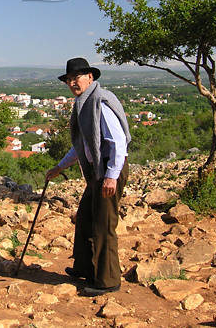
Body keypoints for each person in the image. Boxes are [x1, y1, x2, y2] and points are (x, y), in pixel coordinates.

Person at [45, 57, 131, 297]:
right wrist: (60, 167)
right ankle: (85, 268)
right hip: (98, 172)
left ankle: (107, 280)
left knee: (103, 224)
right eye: (69, 79)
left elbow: (118, 142)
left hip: (108, 170)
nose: (73, 82)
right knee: (84, 217)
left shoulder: (99, 103)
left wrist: (111, 176)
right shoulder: (84, 103)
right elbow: (81, 145)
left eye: (77, 77)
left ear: (90, 77)